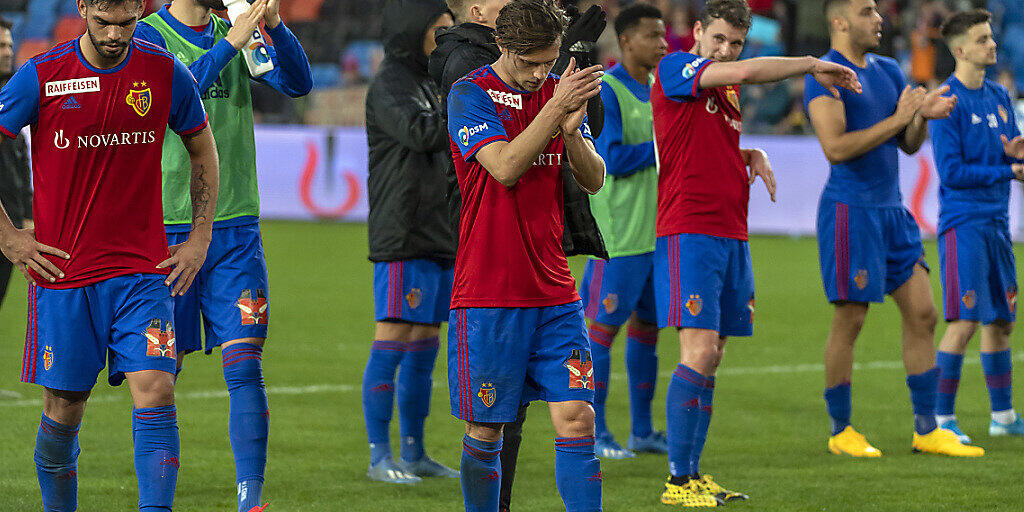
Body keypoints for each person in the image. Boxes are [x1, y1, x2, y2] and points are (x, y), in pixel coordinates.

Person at [0, 0, 218, 509]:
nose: (116, 35)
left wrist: (201, 238)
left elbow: (202, 147)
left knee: (157, 386)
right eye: (103, 23)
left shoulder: (165, 72)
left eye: (127, 22)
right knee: (64, 408)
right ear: (82, 8)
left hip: (142, 273)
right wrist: (8, 234)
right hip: (65, 274)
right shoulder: (43, 75)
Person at [651, 0, 862, 506]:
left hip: (730, 232)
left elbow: (697, 141)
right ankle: (677, 483)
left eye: (736, 43)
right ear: (698, 32)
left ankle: (694, 475)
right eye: (719, 38)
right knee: (698, 351)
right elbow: (746, 72)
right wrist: (812, 63)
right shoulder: (677, 66)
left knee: (715, 354)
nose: (726, 50)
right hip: (690, 229)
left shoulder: (722, 91)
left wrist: (750, 152)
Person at [133, 1, 312, 508]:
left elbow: (297, 84)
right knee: (158, 377)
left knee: (244, 361)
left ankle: (250, 499)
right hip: (166, 228)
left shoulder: (235, 31)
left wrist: (272, 25)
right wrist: (231, 42)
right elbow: (170, 96)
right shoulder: (146, 35)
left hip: (234, 226)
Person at [430, 1, 606, 509]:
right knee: (486, 430)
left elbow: (593, 179)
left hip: (554, 293)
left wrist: (572, 133)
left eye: (548, 62)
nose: (538, 73)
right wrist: (555, 112)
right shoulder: (470, 95)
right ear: (503, 47)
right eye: (529, 62)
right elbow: (505, 167)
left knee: (578, 417)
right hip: (489, 292)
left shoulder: (557, 92)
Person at [805, 0, 983, 459]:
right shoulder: (824, 73)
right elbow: (837, 148)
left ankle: (927, 430)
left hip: (892, 210)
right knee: (852, 318)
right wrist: (901, 118)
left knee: (924, 313)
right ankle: (840, 430)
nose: (879, 18)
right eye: (867, 11)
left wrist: (923, 115)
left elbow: (907, 145)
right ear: (840, 21)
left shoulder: (887, 69)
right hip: (851, 211)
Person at [361, 0, 458, 484]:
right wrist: (474, 122)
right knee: (394, 337)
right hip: (402, 231)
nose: (445, 38)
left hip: (440, 231)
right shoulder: (390, 83)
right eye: (438, 30)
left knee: (425, 342)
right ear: (411, 31)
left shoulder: (433, 79)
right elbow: (421, 133)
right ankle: (380, 456)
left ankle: (415, 451)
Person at [929, 9, 1024, 443]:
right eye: (983, 39)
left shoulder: (1001, 96)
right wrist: (1008, 172)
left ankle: (1002, 417)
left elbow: (1002, 158)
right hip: (963, 223)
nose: (993, 44)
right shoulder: (947, 100)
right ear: (961, 49)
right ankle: (941, 420)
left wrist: (1015, 155)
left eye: (992, 37)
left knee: (1000, 321)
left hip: (997, 224)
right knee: (963, 322)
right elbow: (951, 173)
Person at [580, 2, 668, 460]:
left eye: (664, 35)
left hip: (658, 234)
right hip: (618, 236)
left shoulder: (659, 88)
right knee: (601, 331)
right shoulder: (607, 90)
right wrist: (662, 148)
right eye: (654, 35)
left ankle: (643, 430)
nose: (663, 43)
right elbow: (610, 159)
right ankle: (595, 432)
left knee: (648, 330)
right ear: (627, 40)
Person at [0, 15, 32, 310]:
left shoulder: (14, 95)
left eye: (9, 45)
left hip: (10, 223)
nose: (7, 52)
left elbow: (20, 167)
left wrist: (27, 214)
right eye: (0, 46)